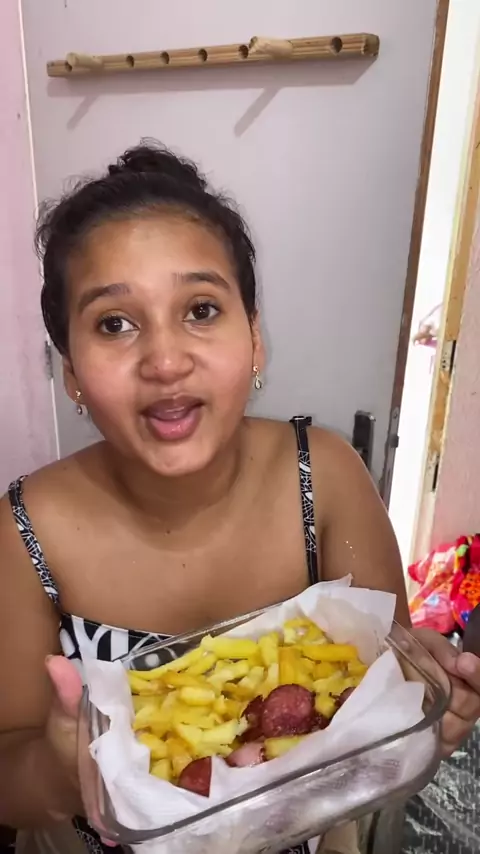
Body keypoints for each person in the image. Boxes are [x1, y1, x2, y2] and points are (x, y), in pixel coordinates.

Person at [0, 142, 479, 854]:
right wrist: (58, 771)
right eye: (114, 323)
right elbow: (9, 773)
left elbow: (390, 711)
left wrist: (430, 719)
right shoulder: (24, 531)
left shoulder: (327, 477)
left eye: (200, 309)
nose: (165, 361)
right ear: (71, 371)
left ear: (254, 339)